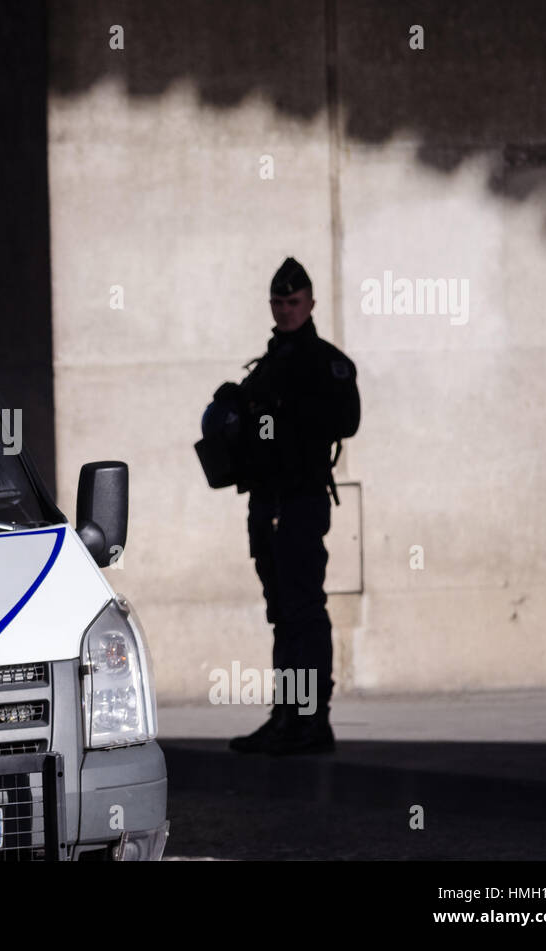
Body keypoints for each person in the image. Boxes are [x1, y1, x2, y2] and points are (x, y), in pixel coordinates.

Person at [221, 257, 360, 755]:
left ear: (311, 303)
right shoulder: (269, 364)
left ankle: (310, 719)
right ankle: (287, 715)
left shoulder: (325, 363)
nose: (285, 310)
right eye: (278, 302)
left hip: (300, 500)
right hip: (267, 499)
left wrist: (285, 409)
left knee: (303, 609)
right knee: (282, 611)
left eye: (293, 302)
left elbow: (346, 421)